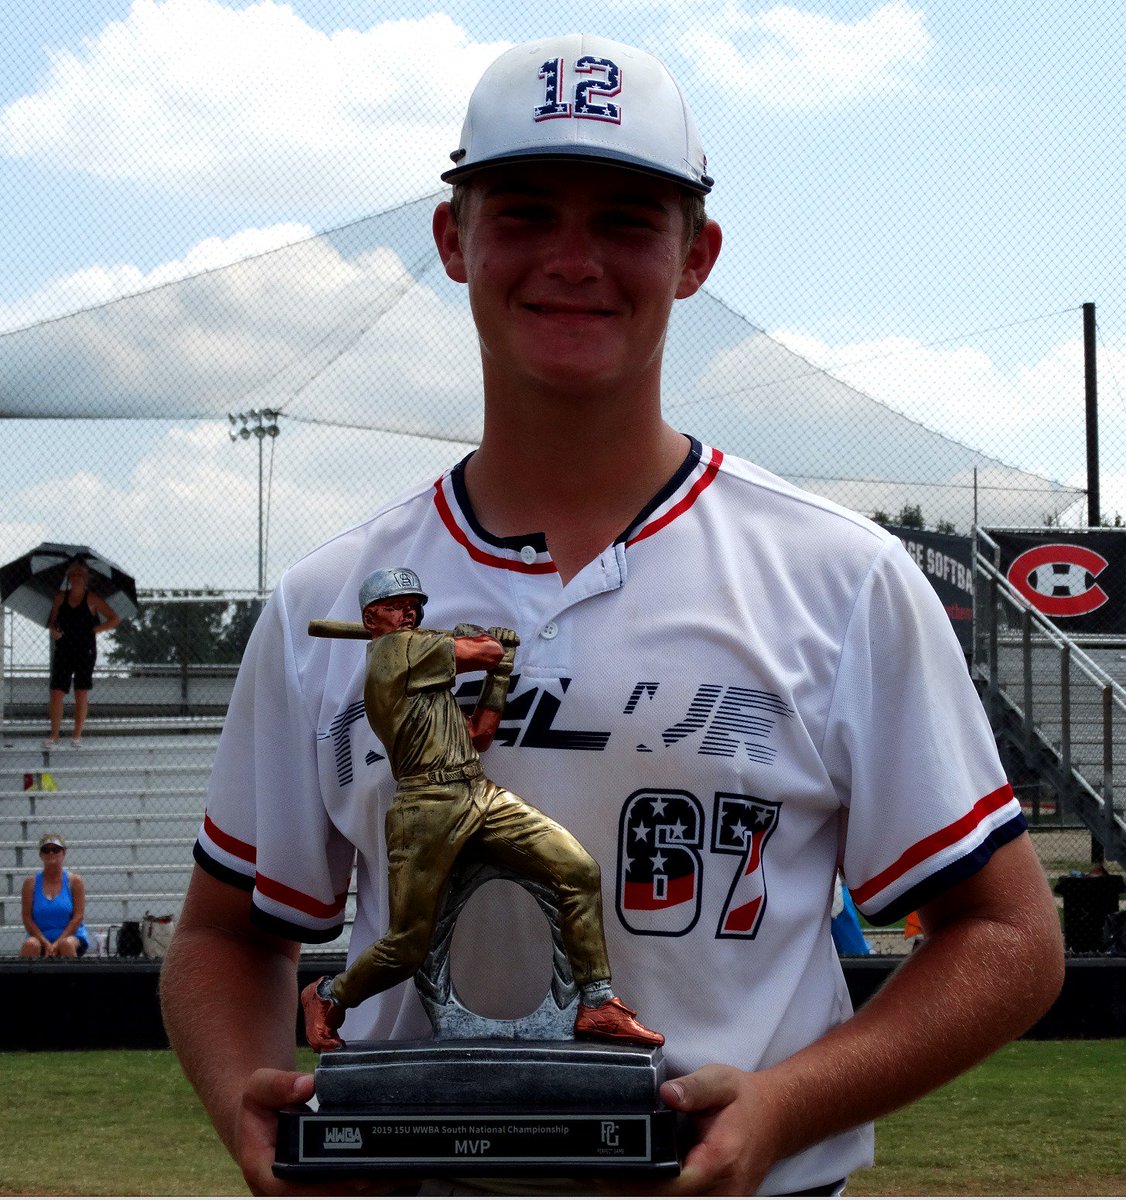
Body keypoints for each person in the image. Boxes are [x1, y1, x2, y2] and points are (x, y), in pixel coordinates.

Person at [161, 33, 1064, 1196]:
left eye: (629, 220)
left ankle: (587, 1001)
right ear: (454, 240)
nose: (573, 260)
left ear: (697, 256)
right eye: (526, 212)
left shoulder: (839, 575)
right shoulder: (323, 598)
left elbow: (1007, 939)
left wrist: (785, 1106)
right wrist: (244, 1089)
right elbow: (225, 934)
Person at [301, 566, 663, 1050]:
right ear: (372, 618)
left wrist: (502, 671)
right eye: (395, 606)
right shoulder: (394, 651)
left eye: (413, 605)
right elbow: (485, 650)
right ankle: (328, 995)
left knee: (577, 869)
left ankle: (597, 1003)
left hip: (476, 790)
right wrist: (487, 644)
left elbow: (479, 735)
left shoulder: (427, 679)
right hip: (424, 806)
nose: (408, 612)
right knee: (407, 947)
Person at [44, 559, 121, 748]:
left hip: (85, 651)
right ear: (68, 578)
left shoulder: (92, 598)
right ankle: (54, 735)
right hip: (63, 649)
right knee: (56, 692)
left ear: (86, 578)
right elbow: (52, 621)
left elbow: (114, 619)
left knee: (81, 691)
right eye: (73, 574)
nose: (77, 578)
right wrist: (53, 630)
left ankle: (76, 735)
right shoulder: (60, 597)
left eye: (80, 574)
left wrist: (96, 630)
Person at [21, 832, 89, 958]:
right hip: (40, 937)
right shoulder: (30, 883)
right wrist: (45, 942)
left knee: (66, 944)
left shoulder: (74, 881)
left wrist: (58, 942)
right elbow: (27, 918)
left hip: (70, 936)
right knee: (30, 945)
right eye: (46, 850)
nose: (51, 853)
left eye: (56, 849)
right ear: (41, 855)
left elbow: (78, 917)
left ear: (64, 852)